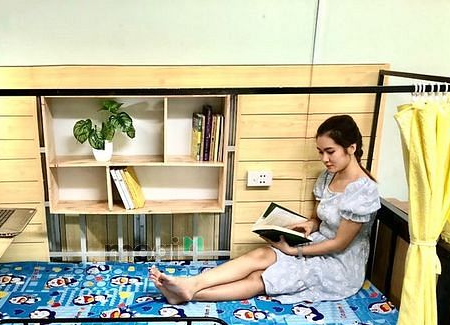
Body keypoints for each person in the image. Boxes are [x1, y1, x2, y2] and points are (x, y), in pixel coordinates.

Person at [149, 114, 381, 305]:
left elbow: (339, 244)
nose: (324, 158)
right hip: (317, 244)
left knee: (261, 276)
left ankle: (188, 294)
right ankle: (191, 285)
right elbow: (318, 219)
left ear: (351, 148)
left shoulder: (363, 190)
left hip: (339, 263)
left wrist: (293, 252)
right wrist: (308, 225)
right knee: (261, 254)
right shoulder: (328, 177)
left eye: (330, 151)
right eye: (320, 152)